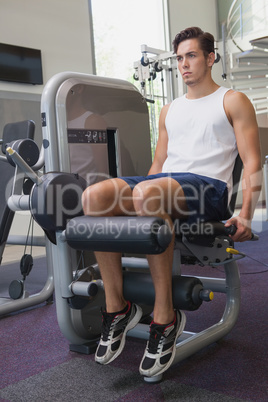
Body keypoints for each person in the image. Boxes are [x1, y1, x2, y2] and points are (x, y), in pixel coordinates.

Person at [82, 26, 262, 377]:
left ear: (210, 58)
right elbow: (158, 165)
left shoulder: (232, 100)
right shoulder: (169, 110)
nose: (184, 64)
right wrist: (138, 203)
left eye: (192, 56)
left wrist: (246, 213)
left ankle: (165, 317)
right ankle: (117, 307)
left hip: (208, 190)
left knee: (148, 191)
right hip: (167, 186)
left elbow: (253, 160)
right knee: (94, 195)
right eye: (179, 58)